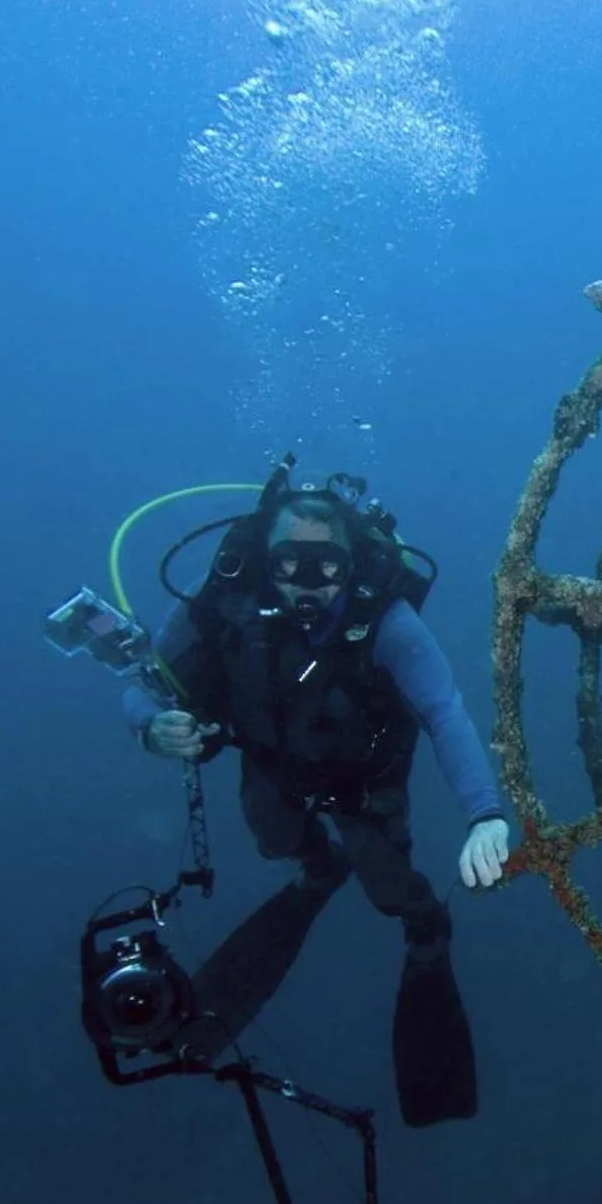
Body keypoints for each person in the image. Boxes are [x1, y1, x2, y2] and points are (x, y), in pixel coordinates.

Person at [121, 477, 511, 1128]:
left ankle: (424, 924)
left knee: (389, 887)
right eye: (288, 564)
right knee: (272, 836)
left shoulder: (387, 621)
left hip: (367, 786)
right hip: (273, 771)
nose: (308, 583)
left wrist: (486, 812)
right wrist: (151, 726)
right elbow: (144, 683)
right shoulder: (224, 601)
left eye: (326, 564)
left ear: (352, 561)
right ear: (263, 560)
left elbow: (445, 712)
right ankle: (318, 867)